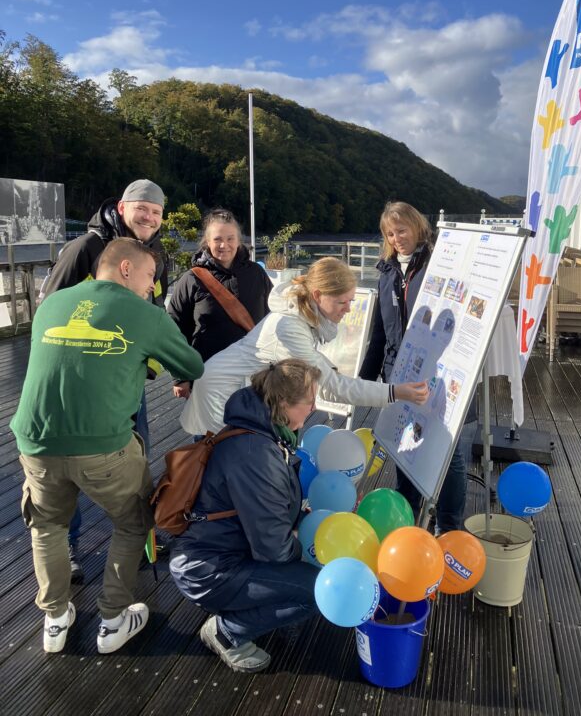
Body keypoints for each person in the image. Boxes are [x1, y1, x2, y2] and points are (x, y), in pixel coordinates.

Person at [11, 238, 205, 654]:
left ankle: (55, 619)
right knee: (134, 521)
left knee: (47, 527)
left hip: (35, 442)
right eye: (151, 276)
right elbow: (192, 366)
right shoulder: (145, 314)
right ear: (124, 269)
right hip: (103, 448)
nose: (154, 288)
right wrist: (146, 359)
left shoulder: (52, 304)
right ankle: (114, 620)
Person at [40, 178, 167, 581]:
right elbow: (49, 307)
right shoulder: (87, 248)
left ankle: (143, 541)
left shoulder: (156, 252)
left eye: (156, 212)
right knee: (68, 469)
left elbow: (155, 310)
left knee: (137, 465)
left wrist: (149, 366)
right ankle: (72, 549)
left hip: (126, 381)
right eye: (142, 208)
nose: (149, 217)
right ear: (123, 207)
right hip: (78, 384)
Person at [170, 359, 323, 673]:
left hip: (221, 554)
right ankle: (226, 633)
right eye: (309, 402)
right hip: (208, 570)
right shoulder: (256, 453)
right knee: (316, 590)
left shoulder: (262, 432)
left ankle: (248, 608)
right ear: (283, 403)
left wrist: (302, 523)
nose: (314, 408)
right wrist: (307, 543)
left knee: (304, 571)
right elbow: (274, 549)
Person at [180, 256, 429, 438]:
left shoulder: (300, 317)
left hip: (239, 391)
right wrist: (395, 393)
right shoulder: (289, 327)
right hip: (221, 394)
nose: (349, 308)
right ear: (318, 295)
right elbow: (332, 388)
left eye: (351, 300)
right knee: (217, 466)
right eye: (342, 301)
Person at [359, 201, 471, 533]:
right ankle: (406, 516)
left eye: (402, 230)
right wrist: (365, 381)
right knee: (404, 445)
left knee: (446, 450)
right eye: (390, 233)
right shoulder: (386, 272)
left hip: (438, 374)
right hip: (399, 372)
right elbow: (379, 333)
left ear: (417, 227)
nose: (397, 238)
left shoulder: (438, 263)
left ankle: (450, 526)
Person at [167, 208, 272, 400]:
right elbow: (173, 329)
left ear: (239, 240)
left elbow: (272, 319)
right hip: (207, 375)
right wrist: (180, 377)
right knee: (207, 430)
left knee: (251, 429)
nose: (224, 245)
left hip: (253, 374)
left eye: (230, 238)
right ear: (207, 241)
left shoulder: (257, 273)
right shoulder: (192, 279)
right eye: (217, 239)